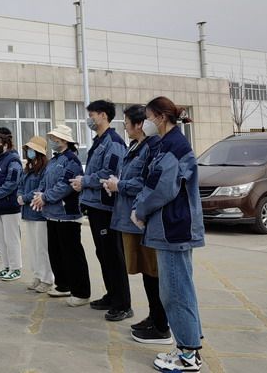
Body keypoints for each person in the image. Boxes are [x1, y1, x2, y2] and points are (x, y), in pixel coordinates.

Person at [131, 97, 205, 372]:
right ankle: (188, 346)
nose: (145, 123)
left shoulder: (174, 146)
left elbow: (162, 188)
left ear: (161, 118)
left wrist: (140, 211)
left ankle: (188, 356)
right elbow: (152, 182)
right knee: (179, 289)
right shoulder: (167, 144)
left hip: (173, 228)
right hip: (170, 227)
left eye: (148, 117)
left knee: (175, 292)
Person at [101, 105, 171, 344]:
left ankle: (161, 325)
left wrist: (119, 185)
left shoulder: (152, 147)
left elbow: (145, 183)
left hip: (142, 220)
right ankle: (154, 317)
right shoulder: (135, 146)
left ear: (140, 124)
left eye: (127, 123)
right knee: (145, 272)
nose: (125, 127)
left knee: (153, 273)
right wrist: (117, 183)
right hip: (129, 219)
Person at [69, 100, 131, 321]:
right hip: (96, 206)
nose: (89, 119)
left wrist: (85, 181)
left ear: (103, 115)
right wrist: (84, 182)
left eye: (92, 114)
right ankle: (111, 295)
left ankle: (123, 304)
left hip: (107, 207)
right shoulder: (100, 141)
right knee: (103, 254)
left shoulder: (113, 143)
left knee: (113, 255)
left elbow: (109, 174)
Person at [32, 125, 91, 306]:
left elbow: (64, 186)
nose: (52, 141)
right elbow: (44, 181)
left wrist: (45, 197)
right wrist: (40, 194)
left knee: (72, 255)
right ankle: (63, 285)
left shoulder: (71, 161)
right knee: (56, 253)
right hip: (51, 214)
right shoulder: (54, 160)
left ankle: (81, 292)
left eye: (54, 138)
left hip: (66, 215)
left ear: (64, 140)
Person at [0, 132, 23, 281]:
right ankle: (5, 266)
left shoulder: (13, 161)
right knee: (0, 240)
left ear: (5, 146)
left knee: (11, 239)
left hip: (9, 207)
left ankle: (15, 268)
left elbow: (11, 183)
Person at [17, 136, 53, 293]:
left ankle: (47, 279)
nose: (29, 152)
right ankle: (37, 275)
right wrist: (19, 195)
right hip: (28, 213)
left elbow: (41, 189)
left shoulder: (45, 169)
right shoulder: (28, 168)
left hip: (40, 215)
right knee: (32, 248)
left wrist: (24, 197)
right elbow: (20, 184)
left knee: (42, 248)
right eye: (28, 149)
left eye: (32, 149)